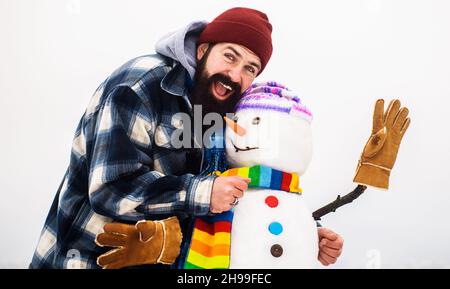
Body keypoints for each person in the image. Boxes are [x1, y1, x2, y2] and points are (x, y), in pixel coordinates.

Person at [30, 7, 343, 269]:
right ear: (203, 49)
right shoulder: (140, 85)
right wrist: (203, 194)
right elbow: (111, 188)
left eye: (250, 68)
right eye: (230, 57)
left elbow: (243, 186)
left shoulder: (228, 110)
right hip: (85, 259)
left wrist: (305, 234)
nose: (235, 76)